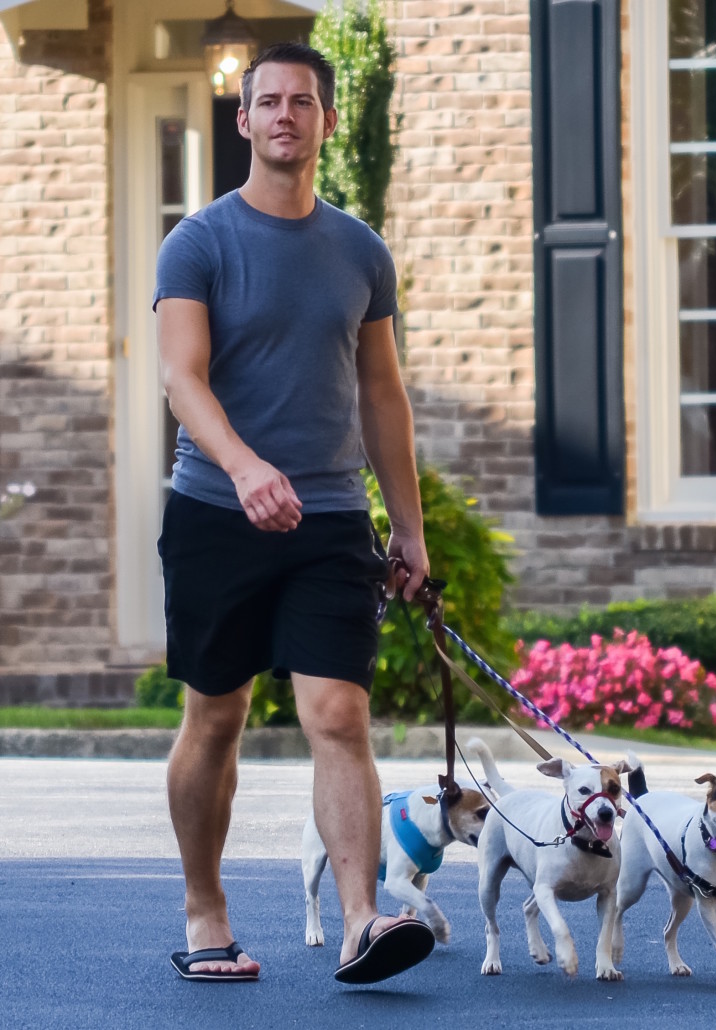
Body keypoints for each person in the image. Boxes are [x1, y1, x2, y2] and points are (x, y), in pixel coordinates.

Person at [153, 41, 434, 986]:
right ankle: (206, 911)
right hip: (217, 511)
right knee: (216, 717)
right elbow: (179, 378)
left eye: (301, 102)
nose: (283, 116)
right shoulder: (197, 242)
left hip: (327, 519)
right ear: (243, 121)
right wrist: (242, 467)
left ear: (324, 120)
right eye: (266, 102)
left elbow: (383, 398)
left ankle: (361, 921)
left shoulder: (360, 250)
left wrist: (410, 528)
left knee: (340, 715)